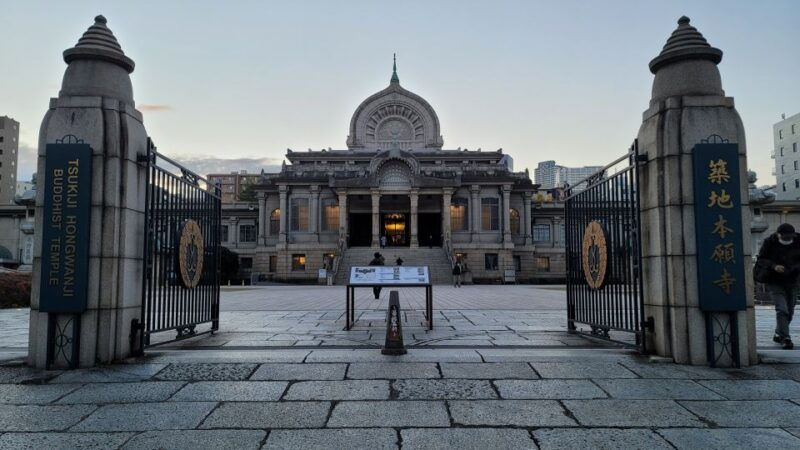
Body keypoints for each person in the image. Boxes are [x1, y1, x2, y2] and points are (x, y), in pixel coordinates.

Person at [756, 223, 800, 349]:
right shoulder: (769, 242)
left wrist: (794, 267)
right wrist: (774, 266)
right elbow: (761, 259)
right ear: (778, 234)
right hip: (774, 281)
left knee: (790, 311)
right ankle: (786, 338)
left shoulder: (798, 241)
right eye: (785, 237)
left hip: (793, 280)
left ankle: (778, 333)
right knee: (782, 309)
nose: (788, 240)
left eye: (790, 237)